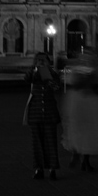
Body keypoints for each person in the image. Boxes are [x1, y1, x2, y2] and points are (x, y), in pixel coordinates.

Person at [62, 49, 98, 171]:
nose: (87, 62)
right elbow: (71, 83)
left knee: (90, 131)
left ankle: (85, 159)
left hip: (90, 103)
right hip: (80, 103)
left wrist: (94, 83)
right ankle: (77, 154)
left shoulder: (97, 72)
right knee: (78, 129)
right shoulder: (76, 71)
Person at [24, 52, 61, 180]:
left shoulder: (53, 74)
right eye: (38, 60)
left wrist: (47, 75)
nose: (41, 62)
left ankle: (52, 169)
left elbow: (56, 87)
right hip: (35, 113)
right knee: (36, 143)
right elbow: (27, 79)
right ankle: (38, 169)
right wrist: (35, 69)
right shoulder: (33, 72)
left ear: (48, 61)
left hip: (50, 113)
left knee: (51, 142)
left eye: (43, 60)